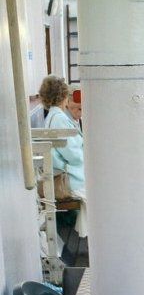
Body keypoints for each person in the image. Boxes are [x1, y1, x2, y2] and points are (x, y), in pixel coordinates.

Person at [38, 75, 87, 238]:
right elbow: (75, 157)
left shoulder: (52, 116)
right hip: (71, 180)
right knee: (102, 191)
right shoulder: (59, 118)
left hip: (62, 175)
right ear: (64, 96)